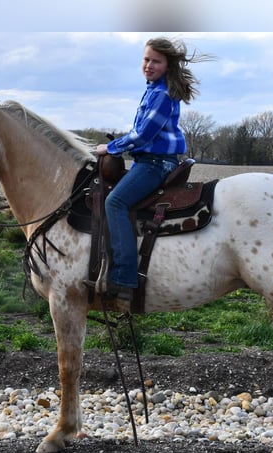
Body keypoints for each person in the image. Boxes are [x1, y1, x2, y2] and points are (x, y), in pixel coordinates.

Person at [93, 37, 209, 303]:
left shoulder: (162, 94)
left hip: (156, 163)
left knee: (115, 202)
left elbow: (143, 135)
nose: (148, 65)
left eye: (155, 61)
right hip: (149, 160)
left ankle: (123, 276)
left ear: (167, 65)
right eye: (146, 59)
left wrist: (111, 147)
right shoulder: (154, 89)